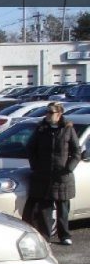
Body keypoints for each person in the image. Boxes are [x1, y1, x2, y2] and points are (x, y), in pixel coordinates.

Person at [25, 101, 81, 245]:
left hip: (62, 176)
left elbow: (76, 152)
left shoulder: (67, 128)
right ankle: (45, 237)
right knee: (45, 208)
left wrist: (68, 168)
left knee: (63, 208)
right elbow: (31, 148)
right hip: (43, 175)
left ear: (59, 114)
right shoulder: (41, 128)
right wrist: (36, 166)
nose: (48, 115)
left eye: (51, 112)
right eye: (47, 112)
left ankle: (65, 236)